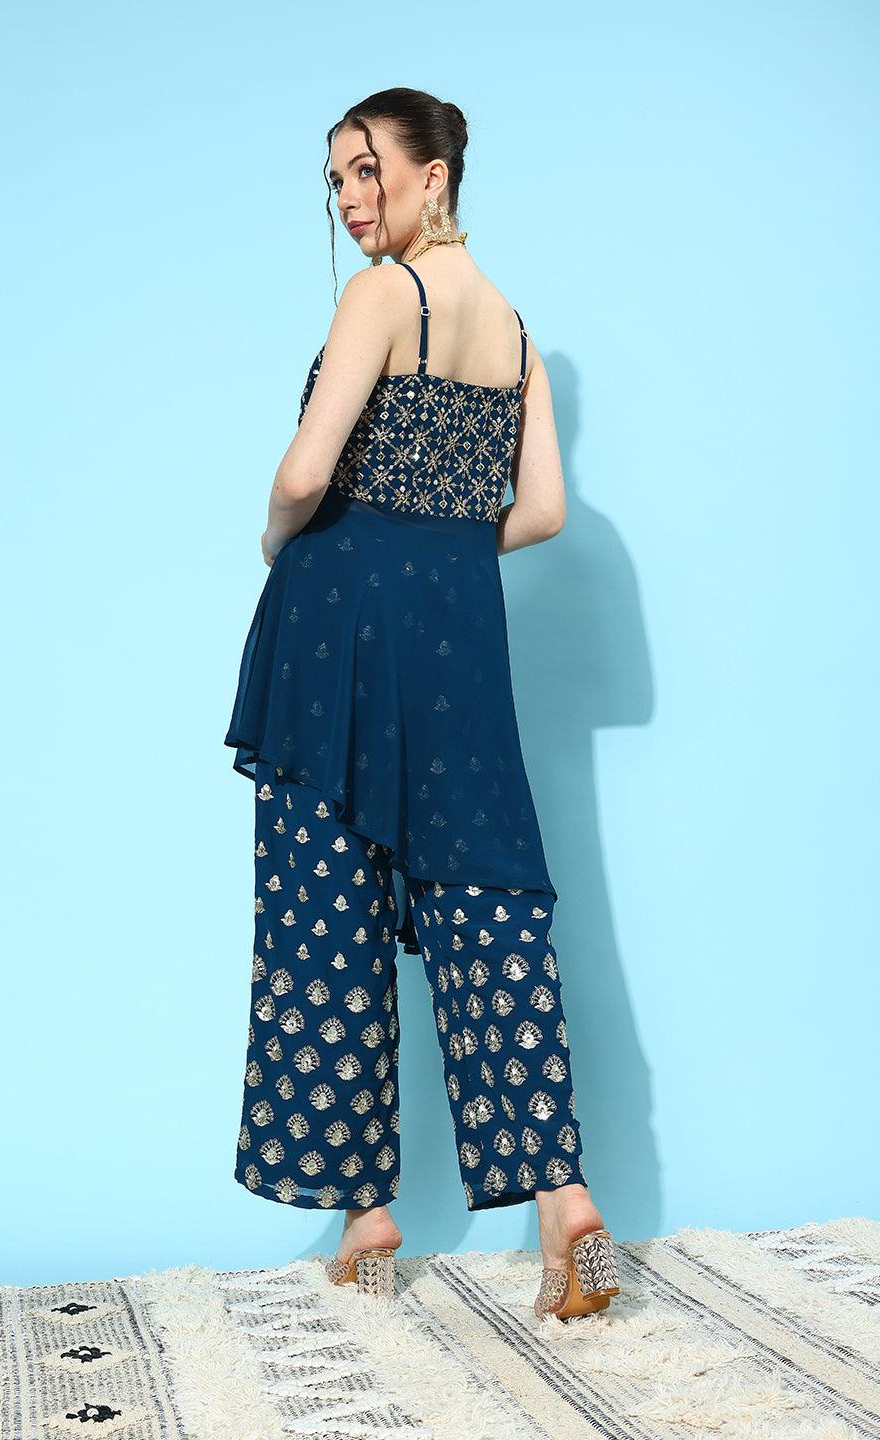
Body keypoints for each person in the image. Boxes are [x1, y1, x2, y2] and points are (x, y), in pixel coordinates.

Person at [223, 87, 620, 1322]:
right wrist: (441, 554)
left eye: (367, 171)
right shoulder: (515, 333)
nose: (349, 200)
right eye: (334, 180)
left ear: (433, 176)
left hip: (337, 629)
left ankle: (367, 1217)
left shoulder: (383, 294)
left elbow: (305, 470)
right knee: (483, 895)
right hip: (458, 634)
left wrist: (282, 541)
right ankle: (565, 1205)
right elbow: (541, 511)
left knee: (325, 904)